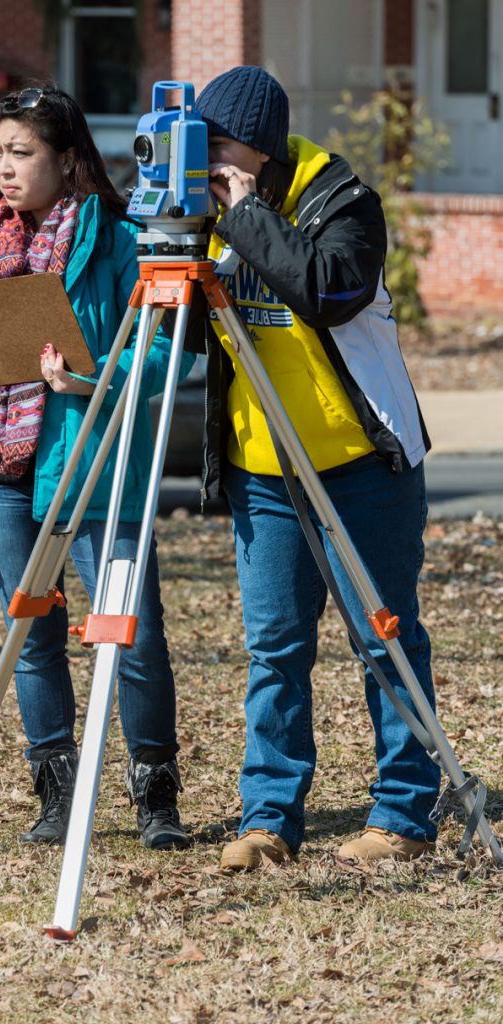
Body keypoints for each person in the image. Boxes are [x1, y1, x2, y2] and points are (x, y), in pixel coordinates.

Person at [0, 82, 194, 851]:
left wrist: (92, 374)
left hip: (95, 464)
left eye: (21, 153)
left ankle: (154, 794)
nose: (3, 168)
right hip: (3, 468)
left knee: (128, 636)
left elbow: (168, 347)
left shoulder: (120, 237)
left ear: (68, 161)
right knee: (32, 638)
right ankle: (57, 794)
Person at [192, 66, 440, 869]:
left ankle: (401, 815)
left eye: (217, 148)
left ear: (259, 153)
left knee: (385, 639)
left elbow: (327, 290)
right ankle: (267, 818)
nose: (204, 163)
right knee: (275, 649)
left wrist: (245, 217)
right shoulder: (207, 208)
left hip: (359, 462)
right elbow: (187, 334)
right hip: (263, 472)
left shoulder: (344, 203)